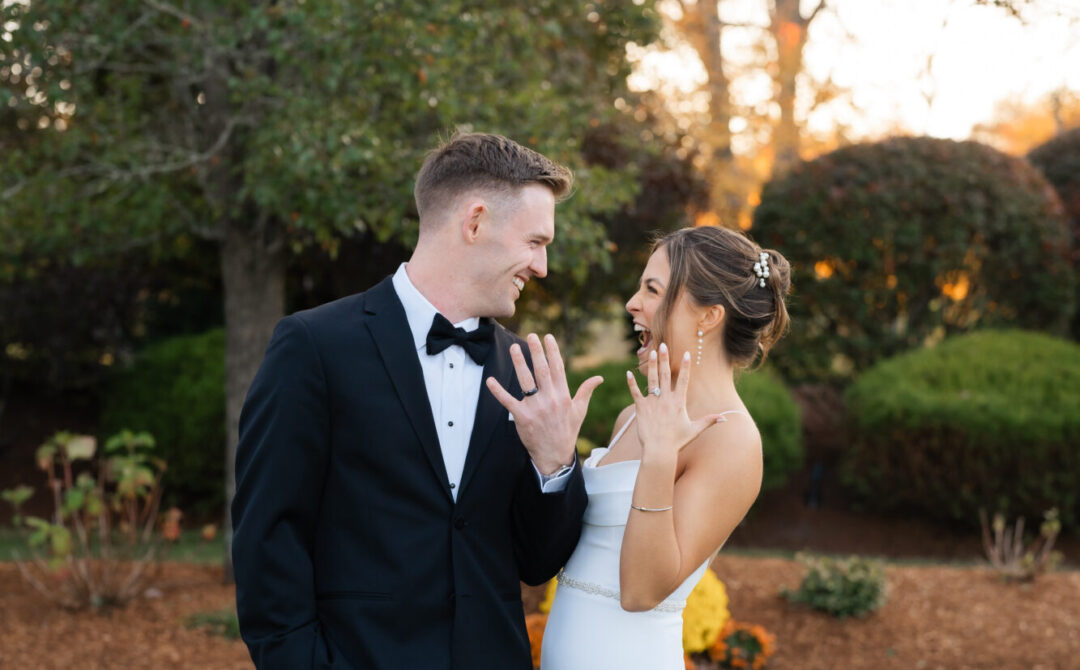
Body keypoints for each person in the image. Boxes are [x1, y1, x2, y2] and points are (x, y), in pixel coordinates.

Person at [231, 132, 604, 669]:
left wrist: (554, 464)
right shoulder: (315, 345)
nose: (542, 266)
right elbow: (269, 537)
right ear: (474, 222)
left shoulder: (527, 368)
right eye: (535, 242)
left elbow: (536, 562)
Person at [525, 225, 791, 670]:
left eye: (652, 289)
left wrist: (660, 457)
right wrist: (553, 458)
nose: (632, 303)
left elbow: (641, 591)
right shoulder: (633, 416)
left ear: (708, 316)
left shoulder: (733, 440)